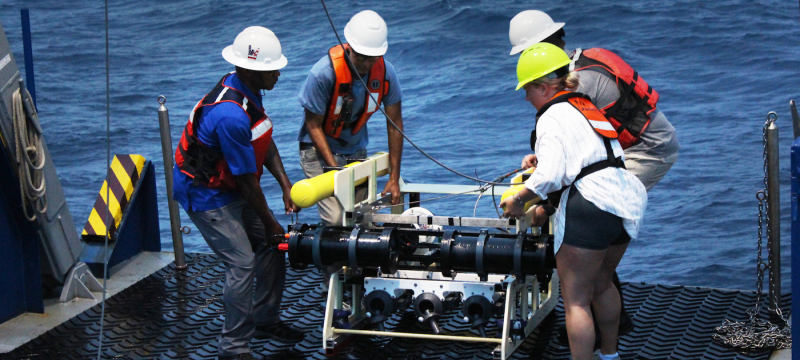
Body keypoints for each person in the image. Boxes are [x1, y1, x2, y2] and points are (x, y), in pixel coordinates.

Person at [508, 9, 680, 341]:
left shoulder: (578, 83)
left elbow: (579, 156)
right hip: (635, 144)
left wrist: (542, 204)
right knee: (589, 223)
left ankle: (603, 321)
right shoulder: (576, 66)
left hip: (647, 150)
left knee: (593, 220)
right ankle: (602, 314)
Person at [500, 43, 647, 360]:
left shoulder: (550, 116)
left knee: (576, 300)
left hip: (590, 204)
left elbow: (551, 176)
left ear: (544, 87)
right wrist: (542, 161)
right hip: (625, 197)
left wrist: (520, 200)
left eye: (527, 89)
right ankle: (610, 355)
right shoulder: (584, 104)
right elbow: (589, 154)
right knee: (602, 284)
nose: (526, 98)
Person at [172, 27, 304, 360]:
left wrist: (286, 184)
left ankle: (264, 319)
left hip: (230, 186)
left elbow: (261, 137)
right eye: (271, 70)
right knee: (242, 263)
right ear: (249, 70)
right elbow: (246, 181)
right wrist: (270, 221)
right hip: (207, 196)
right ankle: (233, 348)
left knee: (274, 245)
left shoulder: (248, 90)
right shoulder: (230, 114)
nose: (277, 74)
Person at [297, 10, 404, 226]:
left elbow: (395, 126)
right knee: (338, 220)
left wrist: (394, 178)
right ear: (349, 47)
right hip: (319, 152)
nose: (365, 64)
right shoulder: (322, 74)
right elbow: (313, 125)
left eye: (372, 58)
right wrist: (336, 173)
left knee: (363, 219)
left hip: (355, 150)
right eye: (360, 57)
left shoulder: (386, 74)